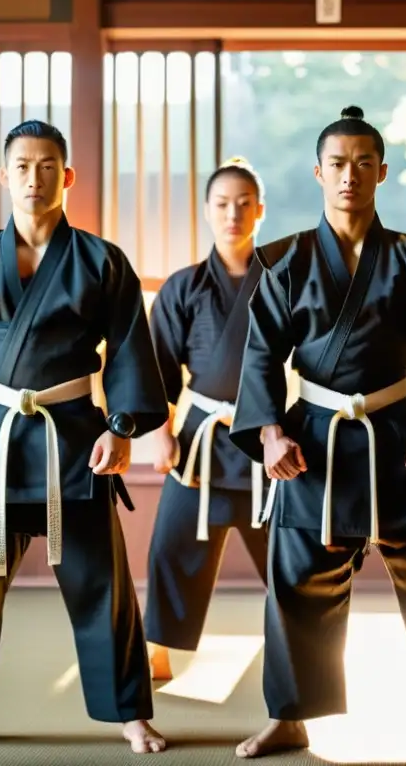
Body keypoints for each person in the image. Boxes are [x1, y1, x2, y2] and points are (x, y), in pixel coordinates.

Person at [227, 105, 406, 762]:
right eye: (338, 163)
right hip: (314, 441)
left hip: (399, 435)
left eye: (364, 163)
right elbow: (260, 355)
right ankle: (292, 715)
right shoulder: (288, 260)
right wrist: (271, 433)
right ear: (318, 171)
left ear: (382, 172)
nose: (350, 175)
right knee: (297, 582)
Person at [0, 120, 169, 755]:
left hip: (73, 438)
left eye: (47, 166)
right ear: (4, 175)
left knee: (103, 587)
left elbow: (130, 348)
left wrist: (122, 428)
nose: (34, 178)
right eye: (22, 166)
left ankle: (130, 712)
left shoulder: (102, 261)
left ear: (66, 176)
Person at [143, 157, 270, 680]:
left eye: (244, 204)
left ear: (259, 211)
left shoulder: (283, 282)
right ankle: (157, 652)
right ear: (206, 211)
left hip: (270, 442)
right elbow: (156, 367)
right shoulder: (184, 286)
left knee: (293, 558)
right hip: (202, 440)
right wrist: (160, 434)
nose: (233, 214)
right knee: (171, 545)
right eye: (222, 204)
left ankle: (301, 650)